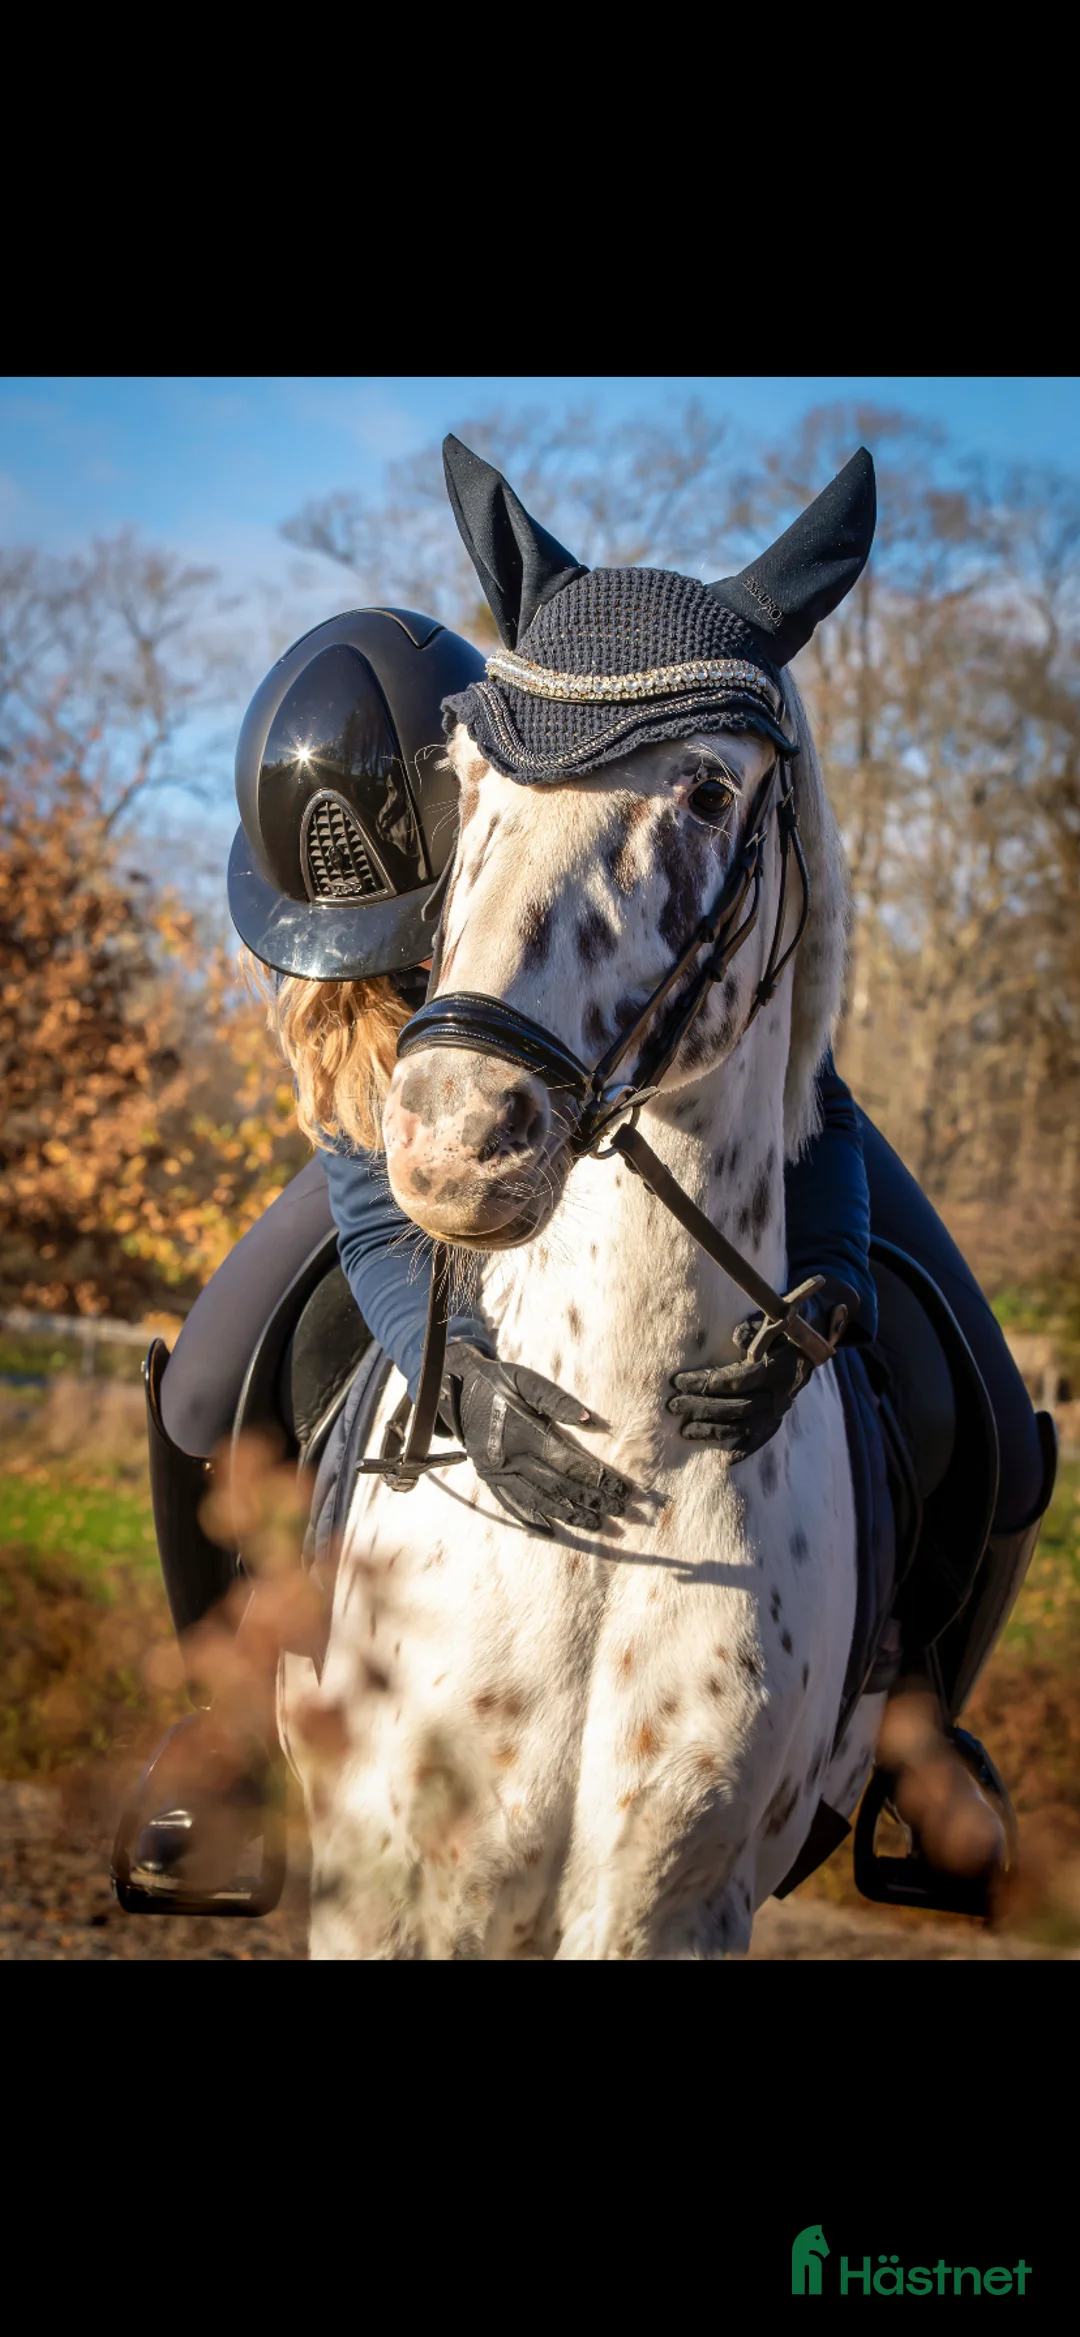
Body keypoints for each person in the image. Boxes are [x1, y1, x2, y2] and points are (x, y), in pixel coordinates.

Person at [116, 574, 1052, 1916]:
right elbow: (370, 1185)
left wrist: (829, 1287)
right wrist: (448, 1370)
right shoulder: (345, 953)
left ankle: (919, 1731)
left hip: (652, 1095)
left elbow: (811, 1097)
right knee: (205, 1391)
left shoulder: (536, 833)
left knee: (993, 1422)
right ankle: (219, 1736)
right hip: (394, 1149)